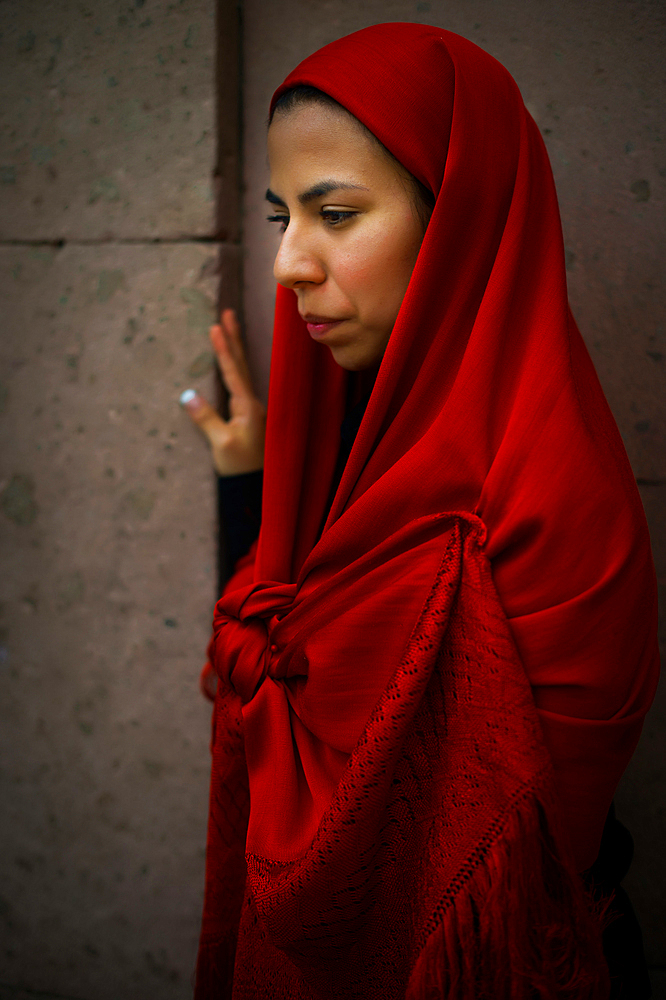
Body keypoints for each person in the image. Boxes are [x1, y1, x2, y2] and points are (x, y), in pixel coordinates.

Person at [181, 23, 659, 1000]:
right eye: (283, 217)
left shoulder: (551, 504)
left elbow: (494, 868)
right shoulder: (353, 424)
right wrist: (254, 489)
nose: (289, 265)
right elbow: (301, 651)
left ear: (460, 218)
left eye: (338, 213)